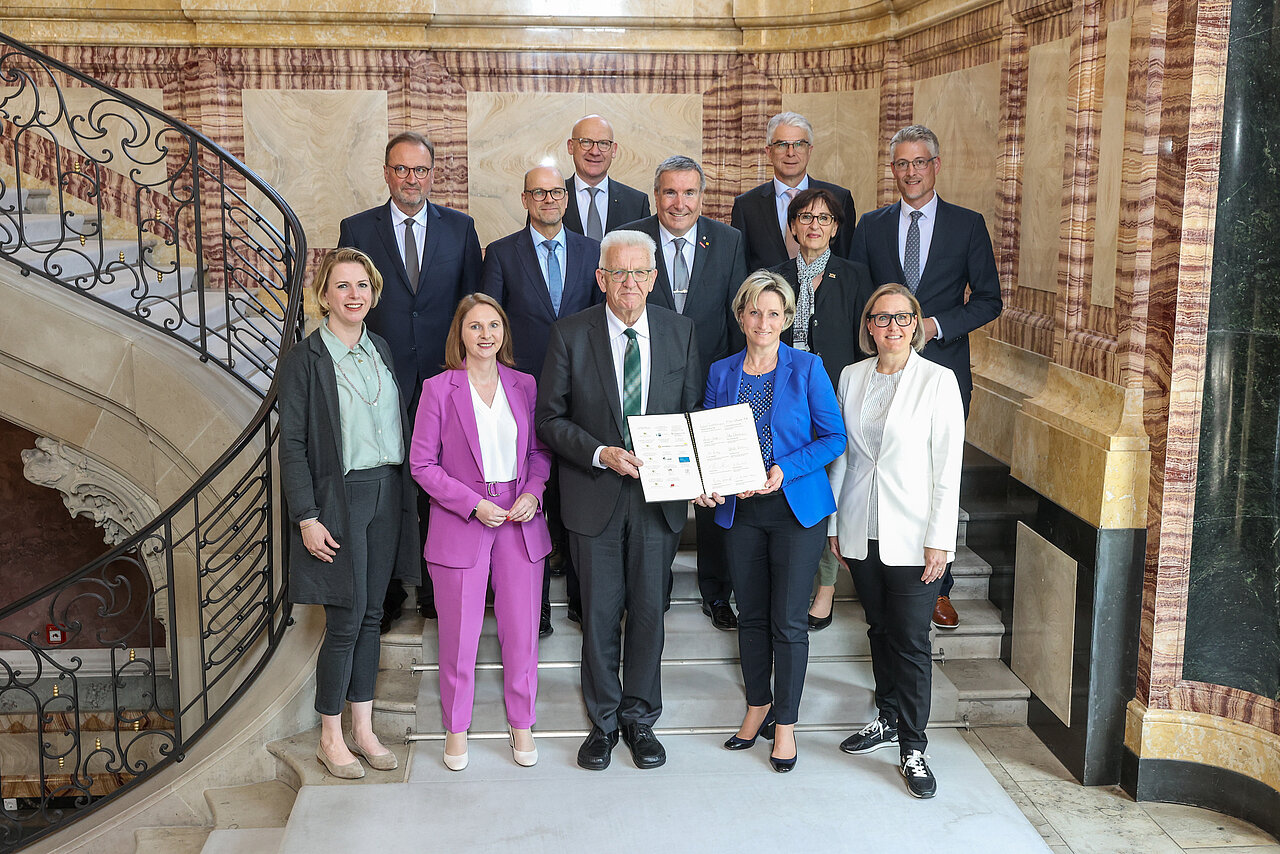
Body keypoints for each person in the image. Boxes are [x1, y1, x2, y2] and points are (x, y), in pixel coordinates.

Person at [535, 230, 702, 771]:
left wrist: (701, 471)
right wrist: (600, 452)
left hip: (659, 500)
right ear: (601, 278)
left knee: (650, 613)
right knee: (600, 614)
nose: (630, 283)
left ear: (655, 279)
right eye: (619, 273)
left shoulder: (681, 331)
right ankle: (604, 723)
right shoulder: (570, 334)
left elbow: (693, 414)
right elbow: (549, 420)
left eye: (640, 273)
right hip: (595, 495)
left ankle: (641, 719)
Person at [849, 123, 1003, 630]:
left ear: (936, 166)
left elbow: (988, 300)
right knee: (884, 466)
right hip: (882, 370)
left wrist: (936, 325)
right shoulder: (871, 226)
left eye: (920, 162)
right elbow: (861, 297)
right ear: (892, 169)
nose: (910, 171)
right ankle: (878, 567)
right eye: (901, 163)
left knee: (938, 474)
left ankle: (938, 586)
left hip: (943, 371)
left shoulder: (967, 224)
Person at [695, 271, 846, 773]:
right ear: (741, 316)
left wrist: (784, 470)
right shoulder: (721, 372)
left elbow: (834, 438)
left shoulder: (807, 367)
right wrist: (709, 478)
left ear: (787, 319)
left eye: (774, 313)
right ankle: (756, 704)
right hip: (740, 511)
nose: (764, 321)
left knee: (787, 619)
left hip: (794, 511)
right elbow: (711, 437)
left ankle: (785, 724)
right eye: (755, 311)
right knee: (751, 615)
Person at [278, 248, 420, 779]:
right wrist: (307, 516)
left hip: (388, 491)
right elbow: (291, 443)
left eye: (363, 285)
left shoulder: (379, 346)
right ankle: (330, 735)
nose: (354, 295)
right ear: (324, 295)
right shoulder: (306, 358)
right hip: (340, 498)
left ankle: (364, 729)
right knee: (343, 618)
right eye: (343, 286)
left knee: (370, 616)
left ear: (373, 293)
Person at [338, 131, 483, 631]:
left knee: (444, 477)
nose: (411, 178)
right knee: (390, 481)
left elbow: (472, 305)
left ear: (432, 173)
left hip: (446, 376)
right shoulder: (357, 228)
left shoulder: (460, 229)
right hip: (380, 379)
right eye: (401, 169)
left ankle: (433, 585)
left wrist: (465, 368)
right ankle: (392, 588)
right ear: (386, 173)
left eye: (420, 170)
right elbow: (346, 304)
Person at [828, 283, 965, 799]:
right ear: (868, 326)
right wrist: (837, 524)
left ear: (915, 324)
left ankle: (913, 746)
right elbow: (845, 458)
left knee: (909, 638)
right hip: (863, 528)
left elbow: (947, 467)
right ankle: (886, 718)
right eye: (881, 318)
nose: (891, 327)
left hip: (914, 535)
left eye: (901, 318)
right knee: (880, 628)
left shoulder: (938, 381)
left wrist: (940, 540)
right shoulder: (852, 376)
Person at [410, 294, 552, 771]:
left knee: (521, 634)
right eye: (475, 326)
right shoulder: (438, 388)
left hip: (519, 518)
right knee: (459, 636)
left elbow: (539, 452)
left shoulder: (525, 385)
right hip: (462, 520)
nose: (486, 334)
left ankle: (522, 724)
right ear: (461, 334)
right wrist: (474, 504)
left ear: (503, 333)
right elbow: (422, 464)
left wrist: (533, 490)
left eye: (494, 325)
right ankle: (456, 728)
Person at [619, 155, 747, 631]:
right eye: (670, 192)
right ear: (656, 196)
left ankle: (717, 593)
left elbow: (738, 316)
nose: (679, 202)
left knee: (711, 491)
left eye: (689, 192)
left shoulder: (729, 240)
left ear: (702, 196)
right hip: (648, 386)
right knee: (652, 491)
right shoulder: (630, 238)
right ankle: (655, 588)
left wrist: (736, 390)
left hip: (712, 385)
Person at [481, 164, 602, 637]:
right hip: (520, 391)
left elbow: (599, 318)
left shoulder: (593, 251)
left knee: (574, 494)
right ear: (525, 199)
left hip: (580, 392)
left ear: (567, 198)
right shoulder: (502, 253)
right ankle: (538, 607)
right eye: (539, 193)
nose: (549, 199)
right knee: (530, 495)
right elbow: (489, 319)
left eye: (556, 192)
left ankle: (576, 596)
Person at [767, 187, 874, 632]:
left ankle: (826, 587)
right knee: (789, 479)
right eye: (806, 217)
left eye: (825, 219)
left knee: (831, 484)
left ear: (835, 229)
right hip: (781, 398)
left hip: (835, 396)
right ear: (792, 226)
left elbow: (864, 343)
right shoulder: (773, 276)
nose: (814, 225)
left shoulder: (854, 276)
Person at [731, 111, 857, 273]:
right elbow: (740, 269)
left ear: (809, 150)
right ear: (769, 151)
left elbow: (846, 264)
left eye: (799, 144)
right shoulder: (746, 205)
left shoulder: (840, 199)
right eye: (782, 145)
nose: (791, 153)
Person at [562, 115, 651, 241]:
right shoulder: (549, 198)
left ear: (613, 150)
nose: (595, 152)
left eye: (603, 143)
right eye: (586, 142)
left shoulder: (636, 204)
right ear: (571, 146)